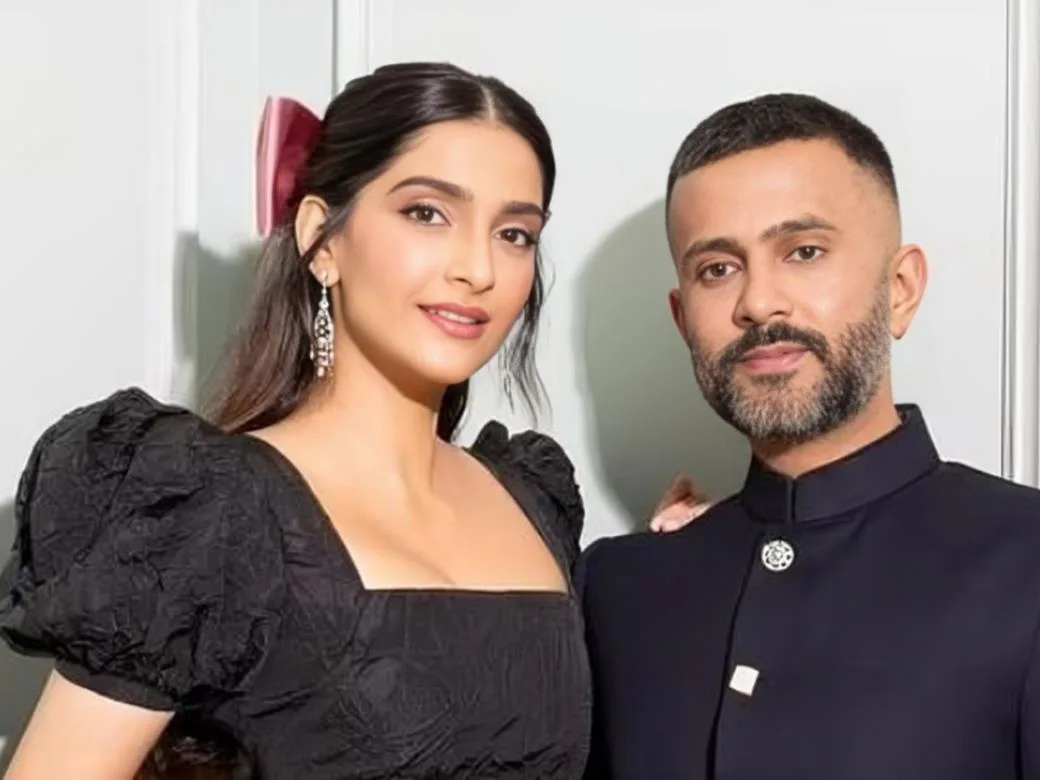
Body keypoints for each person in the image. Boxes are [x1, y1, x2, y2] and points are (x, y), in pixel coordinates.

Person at [0, 62, 702, 779]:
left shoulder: (532, 496)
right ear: (322, 238)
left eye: (515, 233)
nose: (479, 268)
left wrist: (691, 563)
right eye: (427, 213)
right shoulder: (210, 509)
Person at [577, 92, 1040, 780]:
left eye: (804, 251)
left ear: (901, 289)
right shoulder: (618, 588)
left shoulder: (1026, 561)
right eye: (717, 269)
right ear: (682, 320)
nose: (759, 302)